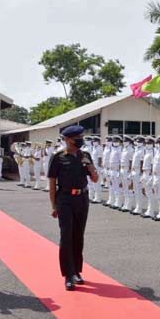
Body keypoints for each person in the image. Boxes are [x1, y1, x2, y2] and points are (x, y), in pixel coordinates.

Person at [47, 124, 98, 291]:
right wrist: (54, 205)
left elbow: (95, 179)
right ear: (68, 140)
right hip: (65, 199)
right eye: (77, 138)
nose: (80, 141)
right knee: (66, 235)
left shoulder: (85, 155)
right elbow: (52, 183)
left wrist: (89, 165)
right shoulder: (58, 157)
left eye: (81, 138)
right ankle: (68, 274)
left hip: (82, 198)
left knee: (78, 235)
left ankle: (77, 271)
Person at [130, 136, 146, 215]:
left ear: (143, 142)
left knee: (139, 191)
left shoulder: (142, 150)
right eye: (137, 141)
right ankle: (137, 206)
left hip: (138, 172)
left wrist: (141, 174)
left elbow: (142, 162)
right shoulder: (137, 150)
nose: (138, 142)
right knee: (136, 190)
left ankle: (140, 207)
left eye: (140, 141)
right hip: (134, 172)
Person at [142, 137, 156, 218]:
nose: (147, 145)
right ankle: (149, 210)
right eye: (146, 143)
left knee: (151, 194)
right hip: (145, 173)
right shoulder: (146, 152)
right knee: (147, 193)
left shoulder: (153, 152)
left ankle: (151, 211)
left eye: (149, 143)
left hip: (149, 174)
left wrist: (151, 177)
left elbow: (153, 165)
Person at [120, 135, 135, 212]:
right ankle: (125, 204)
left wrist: (130, 172)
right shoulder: (124, 149)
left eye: (126, 141)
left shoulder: (131, 150)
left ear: (129, 142)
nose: (124, 142)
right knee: (124, 188)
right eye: (123, 141)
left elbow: (131, 161)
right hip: (122, 170)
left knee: (129, 188)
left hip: (127, 170)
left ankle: (129, 205)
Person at [90, 137, 103, 203]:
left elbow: (100, 158)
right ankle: (95, 197)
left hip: (97, 167)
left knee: (97, 183)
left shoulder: (99, 148)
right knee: (93, 183)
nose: (94, 141)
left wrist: (98, 168)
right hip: (93, 166)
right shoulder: (94, 148)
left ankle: (98, 198)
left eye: (95, 140)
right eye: (93, 140)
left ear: (98, 141)